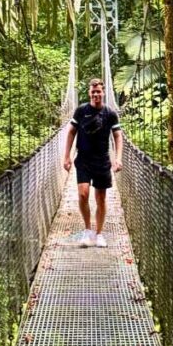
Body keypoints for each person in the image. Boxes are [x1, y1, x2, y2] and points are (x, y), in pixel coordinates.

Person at [62, 78, 123, 248]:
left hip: (102, 161)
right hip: (83, 159)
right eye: (93, 91)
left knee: (101, 198)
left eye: (99, 92)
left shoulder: (110, 114)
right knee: (83, 194)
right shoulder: (81, 111)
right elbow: (71, 132)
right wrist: (66, 156)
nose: (96, 94)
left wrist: (118, 158)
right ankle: (88, 230)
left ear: (103, 93)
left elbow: (118, 136)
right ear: (89, 92)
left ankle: (99, 234)